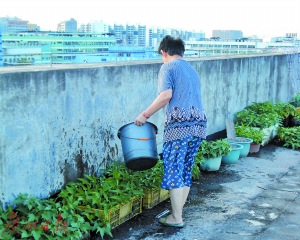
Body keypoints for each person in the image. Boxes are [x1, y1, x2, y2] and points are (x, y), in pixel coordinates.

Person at [134, 35, 207, 227]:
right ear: (182, 52)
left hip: (178, 128)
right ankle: (177, 213)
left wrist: (145, 115)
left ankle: (176, 217)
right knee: (185, 170)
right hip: (199, 125)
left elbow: (165, 95)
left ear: (163, 52)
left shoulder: (167, 67)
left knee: (174, 170)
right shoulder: (192, 70)